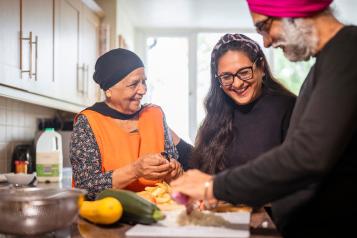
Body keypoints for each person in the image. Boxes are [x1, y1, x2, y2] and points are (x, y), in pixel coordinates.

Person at [171, 0, 357, 237]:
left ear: (293, 11)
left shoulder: (349, 48)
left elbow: (306, 155)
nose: (267, 41)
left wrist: (214, 187)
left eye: (264, 27)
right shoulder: (326, 62)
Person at [70, 48, 184, 200]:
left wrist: (174, 172)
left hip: (158, 212)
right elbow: (85, 187)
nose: (143, 90)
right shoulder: (88, 122)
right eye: (134, 84)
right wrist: (135, 170)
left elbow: (174, 174)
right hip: (108, 215)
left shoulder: (155, 115)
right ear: (109, 90)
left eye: (144, 81)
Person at [191, 33, 296, 174]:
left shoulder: (288, 107)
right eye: (227, 77)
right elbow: (201, 167)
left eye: (244, 72)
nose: (238, 83)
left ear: (261, 68)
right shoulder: (218, 112)